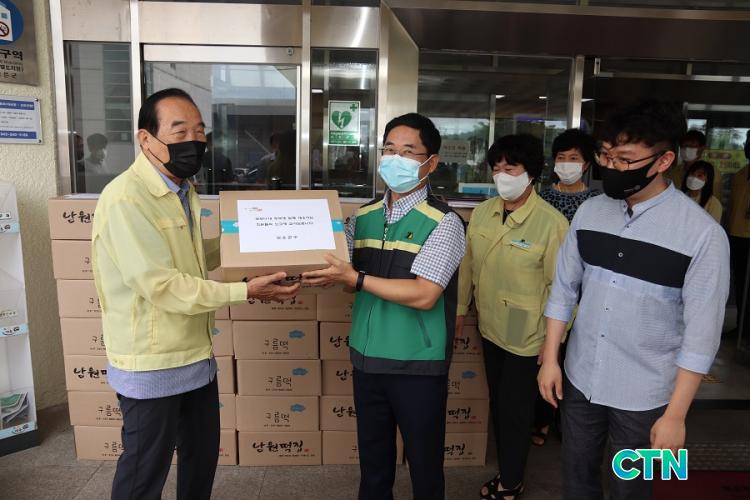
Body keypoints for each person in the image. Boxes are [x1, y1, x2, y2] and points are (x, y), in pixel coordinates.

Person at [91, 88, 300, 500]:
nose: (194, 140)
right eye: (180, 130)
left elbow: (189, 257)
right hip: (152, 362)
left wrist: (249, 240)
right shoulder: (126, 199)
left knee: (201, 458)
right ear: (146, 139)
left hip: (195, 355)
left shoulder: (182, 189)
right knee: (144, 470)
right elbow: (160, 284)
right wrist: (244, 290)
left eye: (200, 131)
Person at [539, 100, 730, 500]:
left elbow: (702, 335)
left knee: (635, 490)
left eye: (625, 159)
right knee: (576, 480)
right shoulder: (590, 213)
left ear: (664, 161)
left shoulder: (703, 235)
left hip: (649, 396)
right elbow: (563, 290)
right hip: (580, 381)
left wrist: (676, 416)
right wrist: (551, 359)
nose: (612, 167)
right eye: (606, 156)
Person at [302, 113, 465, 500]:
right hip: (367, 359)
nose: (395, 159)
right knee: (373, 466)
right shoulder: (363, 217)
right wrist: (296, 271)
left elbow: (425, 294)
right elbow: (341, 274)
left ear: (431, 163)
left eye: (408, 152)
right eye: (389, 149)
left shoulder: (444, 222)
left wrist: (354, 278)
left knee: (425, 466)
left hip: (416, 364)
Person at [457, 134, 569, 500]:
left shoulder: (551, 224)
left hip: (527, 332)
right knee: (499, 402)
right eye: (497, 167)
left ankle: (511, 481)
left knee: (514, 410)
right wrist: (459, 311)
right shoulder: (483, 212)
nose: (502, 175)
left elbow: (563, 290)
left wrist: (552, 345)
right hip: (488, 325)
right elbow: (467, 267)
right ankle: (509, 466)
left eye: (511, 167)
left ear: (532, 173)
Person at [540, 128, 601, 223]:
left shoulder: (596, 201)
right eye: (561, 157)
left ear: (586, 165)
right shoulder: (542, 199)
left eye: (573, 158)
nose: (566, 163)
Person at [728, 130, 750, 341]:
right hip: (737, 235)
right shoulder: (740, 174)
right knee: (741, 283)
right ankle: (741, 326)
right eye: (747, 142)